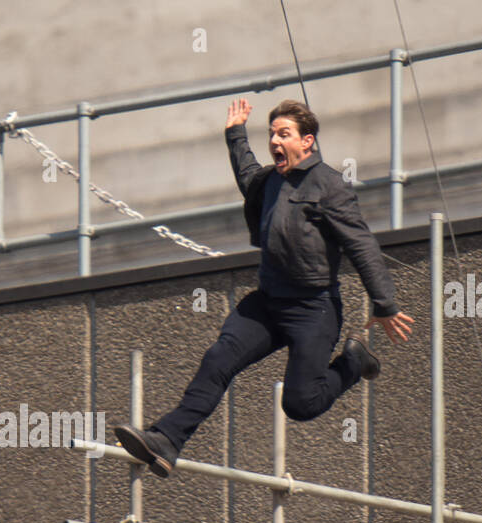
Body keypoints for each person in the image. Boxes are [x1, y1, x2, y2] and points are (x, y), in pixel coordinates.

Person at [114, 97, 414, 477]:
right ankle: (167, 439)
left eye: (283, 134)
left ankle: (354, 361)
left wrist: (384, 303)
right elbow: (246, 174)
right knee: (217, 360)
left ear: (307, 142)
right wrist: (235, 133)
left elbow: (360, 243)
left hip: (313, 309)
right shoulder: (270, 181)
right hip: (268, 303)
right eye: (271, 134)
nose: (275, 140)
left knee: (300, 404)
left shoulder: (330, 185)